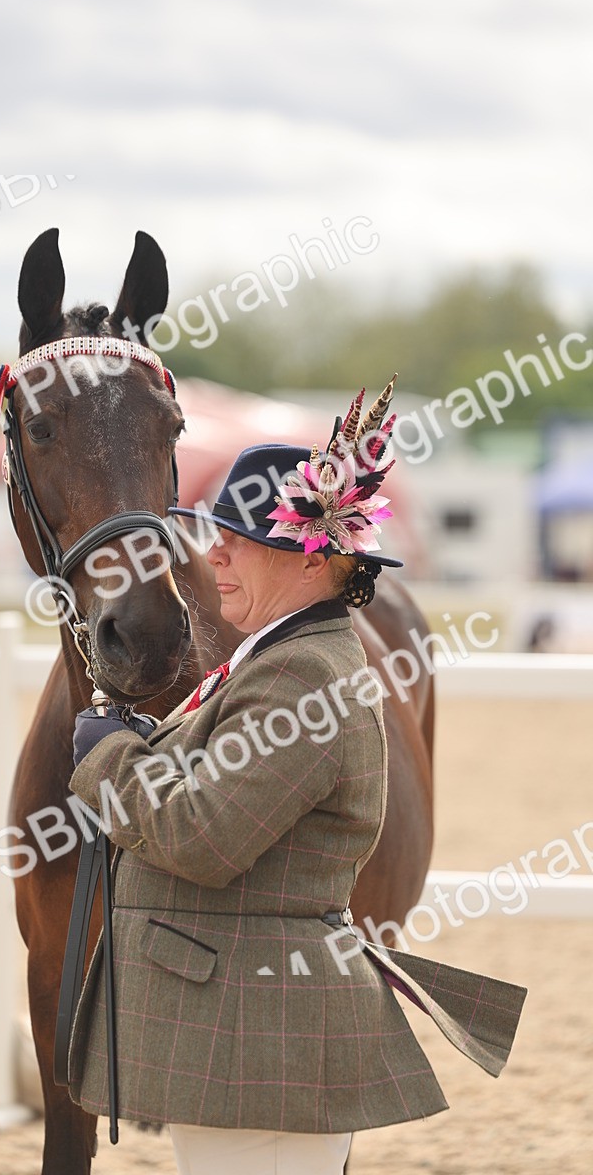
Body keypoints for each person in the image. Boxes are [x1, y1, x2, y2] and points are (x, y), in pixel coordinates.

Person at [66, 382, 526, 1175]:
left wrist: (108, 756)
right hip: (243, 1038)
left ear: (304, 556)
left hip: (257, 1043)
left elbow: (202, 836)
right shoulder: (280, 662)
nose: (211, 557)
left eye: (234, 541)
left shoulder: (305, 679)